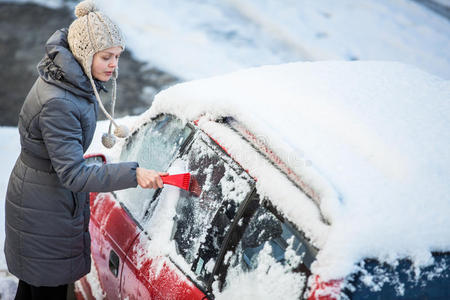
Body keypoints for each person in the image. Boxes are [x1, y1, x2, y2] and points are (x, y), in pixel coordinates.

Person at [4, 1, 167, 299]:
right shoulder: (60, 103)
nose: (114, 65)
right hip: (44, 208)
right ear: (84, 53)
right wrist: (134, 173)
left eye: (117, 56)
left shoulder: (70, 82)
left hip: (44, 198)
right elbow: (74, 175)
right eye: (106, 57)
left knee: (35, 288)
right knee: (45, 290)